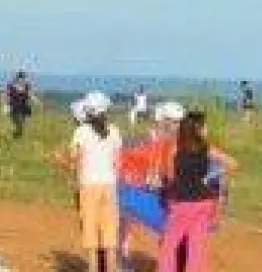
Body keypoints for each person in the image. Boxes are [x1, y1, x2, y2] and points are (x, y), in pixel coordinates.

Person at [156, 112, 238, 272]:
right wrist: (209, 176)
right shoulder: (207, 148)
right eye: (204, 126)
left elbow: (169, 177)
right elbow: (233, 163)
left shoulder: (175, 148)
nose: (206, 129)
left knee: (169, 247)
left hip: (182, 203)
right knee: (197, 249)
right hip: (204, 202)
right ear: (197, 128)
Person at [62, 92, 123, 272]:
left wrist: (61, 161)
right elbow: (118, 163)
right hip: (110, 186)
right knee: (110, 235)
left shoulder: (80, 132)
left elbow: (75, 161)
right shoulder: (114, 130)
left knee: (91, 234)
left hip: (88, 186)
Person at [118, 100, 183, 265]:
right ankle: (122, 255)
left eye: (179, 121)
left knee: (167, 227)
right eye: (173, 121)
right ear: (162, 119)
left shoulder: (180, 141)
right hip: (138, 187)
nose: (177, 125)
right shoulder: (146, 138)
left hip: (164, 188)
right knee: (127, 219)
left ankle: (166, 262)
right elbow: (127, 156)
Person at [4, 70, 36, 139]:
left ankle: (17, 136)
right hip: (14, 106)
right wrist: (6, 105)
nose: (22, 79)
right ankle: (16, 135)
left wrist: (34, 99)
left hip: (23, 106)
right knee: (18, 122)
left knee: (21, 123)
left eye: (23, 78)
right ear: (18, 78)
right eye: (21, 77)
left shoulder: (26, 85)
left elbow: (29, 94)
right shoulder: (11, 85)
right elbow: (7, 95)